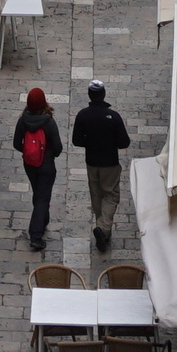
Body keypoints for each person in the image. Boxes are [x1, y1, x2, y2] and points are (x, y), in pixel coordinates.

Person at [72, 81, 134, 254]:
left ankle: (103, 230)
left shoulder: (82, 115)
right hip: (109, 163)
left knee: (97, 195)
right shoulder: (113, 117)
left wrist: (91, 142)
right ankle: (103, 227)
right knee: (111, 195)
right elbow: (124, 142)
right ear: (103, 94)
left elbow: (76, 140)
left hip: (91, 162)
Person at [10, 87, 65, 252]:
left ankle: (43, 219)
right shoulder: (49, 122)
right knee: (42, 198)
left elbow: (15, 143)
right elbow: (58, 147)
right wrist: (49, 156)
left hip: (29, 165)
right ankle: (36, 235)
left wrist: (28, 153)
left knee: (39, 193)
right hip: (46, 165)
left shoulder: (23, 121)